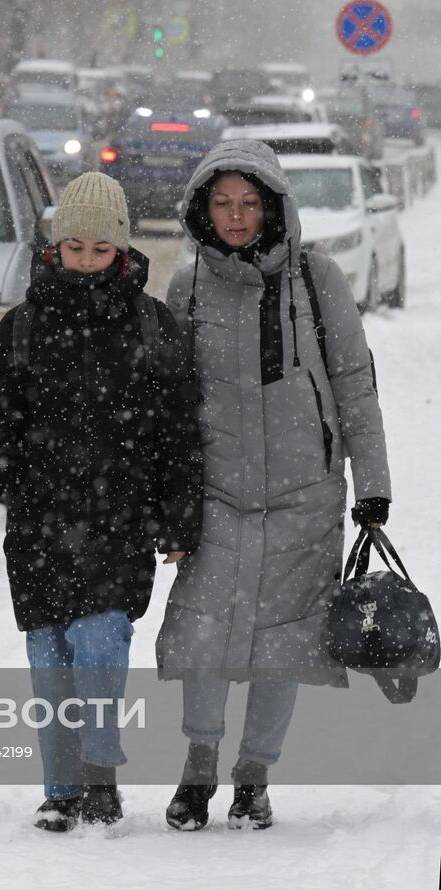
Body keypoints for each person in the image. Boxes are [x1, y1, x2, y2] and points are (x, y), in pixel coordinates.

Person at [0, 172, 203, 832]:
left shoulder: (151, 326)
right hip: (39, 522)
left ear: (121, 249)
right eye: (75, 248)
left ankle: (99, 778)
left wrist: (179, 517)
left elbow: (177, 433)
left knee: (100, 640)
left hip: (119, 520)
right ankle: (60, 790)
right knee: (49, 657)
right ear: (55, 247)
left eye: (100, 249)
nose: (88, 261)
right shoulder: (23, 328)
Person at [157, 139, 391, 831]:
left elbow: (354, 384)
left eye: (249, 203)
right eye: (222, 203)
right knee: (203, 631)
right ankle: (199, 765)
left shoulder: (318, 279)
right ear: (203, 209)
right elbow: (169, 403)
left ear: (273, 207)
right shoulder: (187, 285)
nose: (236, 216)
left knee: (283, 644)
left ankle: (254, 777)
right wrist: (165, 497)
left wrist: (372, 485)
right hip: (216, 493)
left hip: (302, 494)